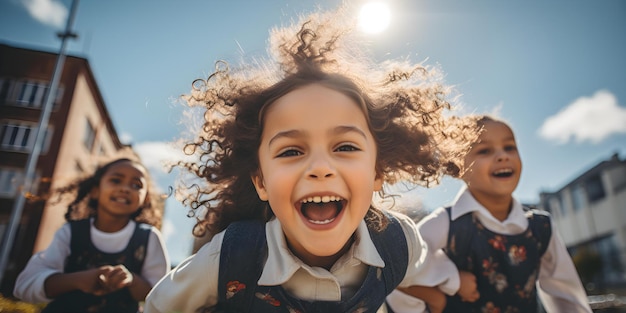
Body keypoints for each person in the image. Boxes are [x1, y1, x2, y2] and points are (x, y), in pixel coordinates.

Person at [144, 4, 478, 313]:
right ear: (261, 181)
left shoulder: (398, 241)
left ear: (378, 172)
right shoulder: (230, 257)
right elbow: (159, 306)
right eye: (291, 151)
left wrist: (453, 282)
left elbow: (425, 268)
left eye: (345, 147)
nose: (320, 168)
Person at [387, 115, 592, 312]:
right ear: (459, 168)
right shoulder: (447, 223)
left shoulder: (541, 227)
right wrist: (447, 287)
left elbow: (567, 296)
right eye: (484, 151)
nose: (503, 156)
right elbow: (399, 267)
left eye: (509, 147)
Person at [14, 156, 171, 313]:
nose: (125, 188)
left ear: (145, 199)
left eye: (136, 185)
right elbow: (25, 285)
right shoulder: (70, 232)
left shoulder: (149, 237)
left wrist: (132, 280)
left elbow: (161, 295)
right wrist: (78, 280)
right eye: (116, 181)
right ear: (95, 190)